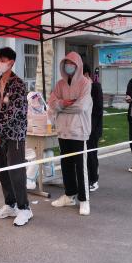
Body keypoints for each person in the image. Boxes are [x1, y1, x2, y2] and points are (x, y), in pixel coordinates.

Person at [0, 47, 31, 226]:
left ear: (11, 62)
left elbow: (15, 111)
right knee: (3, 170)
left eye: (3, 60)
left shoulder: (18, 84)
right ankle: (10, 204)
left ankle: (24, 208)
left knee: (16, 171)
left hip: (15, 134)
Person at [48, 52, 92, 216]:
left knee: (81, 167)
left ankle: (84, 200)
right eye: (67, 63)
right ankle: (69, 195)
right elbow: (52, 103)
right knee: (66, 165)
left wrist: (61, 107)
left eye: (72, 63)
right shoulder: (60, 84)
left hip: (79, 131)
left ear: (78, 65)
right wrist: (62, 103)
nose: (69, 66)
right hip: (63, 131)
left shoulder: (85, 83)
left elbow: (81, 106)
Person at [85, 68, 103, 191]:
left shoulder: (95, 87)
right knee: (84, 154)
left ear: (86, 74)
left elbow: (98, 109)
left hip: (93, 128)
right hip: (82, 127)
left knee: (91, 154)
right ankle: (85, 178)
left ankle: (94, 180)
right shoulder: (82, 88)